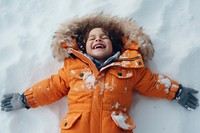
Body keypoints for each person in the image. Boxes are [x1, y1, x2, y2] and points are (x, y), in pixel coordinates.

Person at [1, 13, 199, 133]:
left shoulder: (130, 68)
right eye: (92, 38)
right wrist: (25, 99)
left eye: (104, 37)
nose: (98, 39)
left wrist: (177, 91)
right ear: (83, 47)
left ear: (114, 45)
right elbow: (51, 87)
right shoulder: (73, 68)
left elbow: (153, 83)